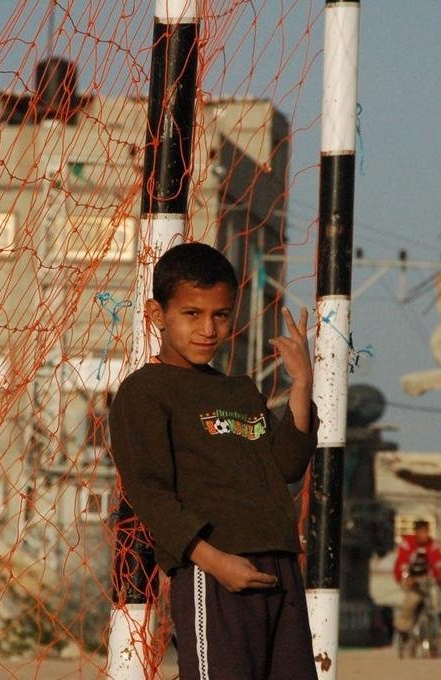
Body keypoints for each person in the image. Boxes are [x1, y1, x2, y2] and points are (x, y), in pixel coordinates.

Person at [109, 242, 318, 680]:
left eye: (220, 315)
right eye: (192, 314)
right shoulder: (146, 391)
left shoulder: (239, 392)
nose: (208, 328)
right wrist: (214, 561)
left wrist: (301, 384)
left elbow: (287, 466)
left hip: (280, 569)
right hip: (216, 573)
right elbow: (149, 492)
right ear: (156, 314)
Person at [392, 519, 441, 639]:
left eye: (426, 531)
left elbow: (438, 563)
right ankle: (403, 627)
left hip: (425, 579)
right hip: (407, 577)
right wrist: (407, 578)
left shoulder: (432, 544)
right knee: (414, 597)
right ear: (416, 532)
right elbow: (402, 564)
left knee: (430, 600)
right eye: (421, 532)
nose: (425, 535)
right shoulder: (407, 543)